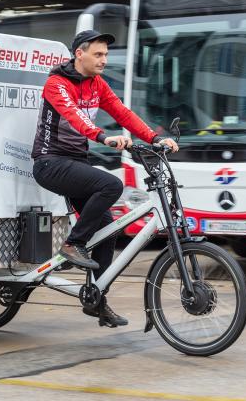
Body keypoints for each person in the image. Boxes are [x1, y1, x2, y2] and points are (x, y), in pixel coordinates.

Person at [31, 29, 179, 327]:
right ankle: (73, 244)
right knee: (111, 185)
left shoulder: (97, 85)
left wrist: (154, 139)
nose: (103, 60)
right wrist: (102, 137)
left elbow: (123, 114)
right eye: (98, 54)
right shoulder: (56, 83)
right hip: (50, 163)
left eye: (106, 55)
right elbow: (74, 116)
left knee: (108, 229)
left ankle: (96, 299)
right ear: (79, 54)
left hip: (75, 163)